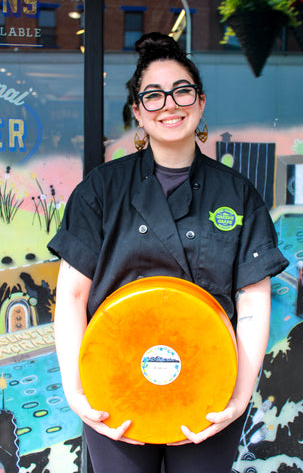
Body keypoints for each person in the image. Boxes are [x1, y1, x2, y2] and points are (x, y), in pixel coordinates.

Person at [48, 32, 289, 473]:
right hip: (115, 386)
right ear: (138, 112)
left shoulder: (237, 193)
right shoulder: (101, 191)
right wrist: (76, 391)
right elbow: (73, 297)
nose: (169, 104)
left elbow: (253, 301)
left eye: (181, 91)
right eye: (153, 96)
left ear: (200, 103)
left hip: (208, 383)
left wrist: (238, 397)